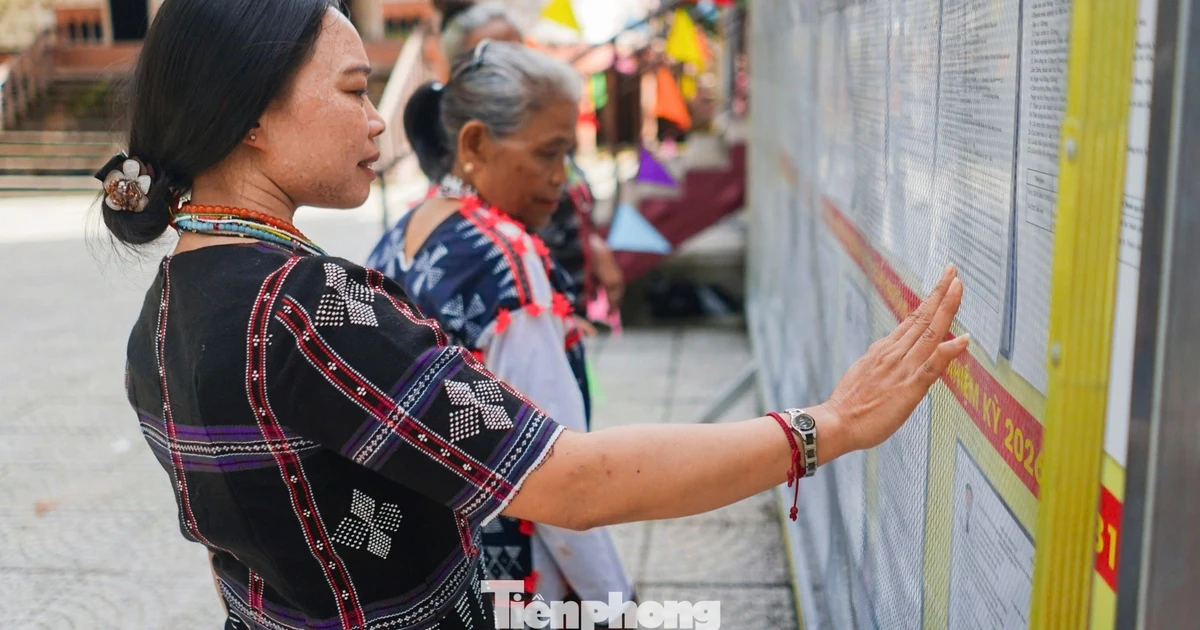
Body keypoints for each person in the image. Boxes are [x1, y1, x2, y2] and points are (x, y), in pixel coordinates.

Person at [101, 0, 967, 627]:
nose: (377, 122)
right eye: (354, 90)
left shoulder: (167, 309)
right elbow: (571, 481)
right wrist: (827, 427)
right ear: (253, 114)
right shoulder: (302, 308)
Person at [365, 42, 631, 610]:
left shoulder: (405, 232)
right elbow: (563, 475)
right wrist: (615, 601)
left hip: (433, 568)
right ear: (475, 143)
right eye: (548, 154)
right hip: (516, 576)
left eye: (568, 155)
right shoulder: (508, 258)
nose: (561, 178)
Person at [436, 0, 626, 319]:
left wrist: (591, 242)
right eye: (492, 56)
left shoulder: (540, 124)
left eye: (517, 53)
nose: (556, 175)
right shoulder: (501, 254)